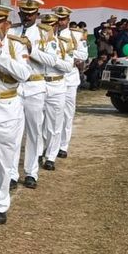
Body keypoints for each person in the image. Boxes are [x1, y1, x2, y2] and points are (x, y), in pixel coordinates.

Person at [7, 0, 69, 189]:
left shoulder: (45, 32)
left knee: (34, 132)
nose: (27, 17)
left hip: (35, 85)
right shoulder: (11, 31)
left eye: (31, 14)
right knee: (13, 134)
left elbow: (51, 60)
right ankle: (11, 173)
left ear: (37, 14)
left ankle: (31, 171)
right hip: (15, 87)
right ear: (19, 13)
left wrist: (31, 49)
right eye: (24, 13)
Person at [0, 5, 31, 225]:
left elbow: (24, 73)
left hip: (6, 106)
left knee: (3, 162)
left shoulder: (15, 45)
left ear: (7, 24)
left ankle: (0, 204)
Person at [39, 12, 74, 173]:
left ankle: (51, 156)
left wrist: (52, 60)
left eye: (51, 25)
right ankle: (39, 151)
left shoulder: (64, 43)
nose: (48, 29)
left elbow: (68, 66)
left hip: (57, 84)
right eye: (44, 25)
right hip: (39, 83)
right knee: (38, 123)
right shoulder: (37, 43)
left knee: (55, 124)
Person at [54, 6, 87, 159]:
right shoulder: (48, 33)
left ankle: (63, 145)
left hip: (69, 78)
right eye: (58, 18)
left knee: (67, 114)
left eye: (63, 19)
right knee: (52, 115)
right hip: (52, 78)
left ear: (68, 20)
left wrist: (67, 53)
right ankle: (50, 146)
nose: (60, 22)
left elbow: (83, 55)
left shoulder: (75, 35)